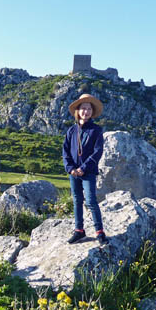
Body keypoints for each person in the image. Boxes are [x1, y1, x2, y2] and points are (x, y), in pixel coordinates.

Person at [62, 94, 108, 246]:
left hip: (88, 173)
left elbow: (97, 151)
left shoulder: (96, 130)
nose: (86, 112)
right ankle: (79, 230)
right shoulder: (71, 131)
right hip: (74, 173)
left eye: (88, 109)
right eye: (83, 109)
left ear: (92, 111)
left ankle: (99, 232)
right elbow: (66, 151)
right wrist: (70, 169)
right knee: (77, 201)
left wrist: (83, 167)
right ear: (78, 111)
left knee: (91, 201)